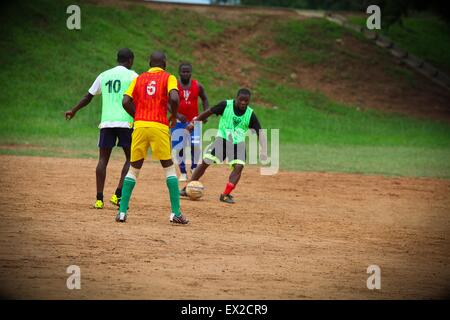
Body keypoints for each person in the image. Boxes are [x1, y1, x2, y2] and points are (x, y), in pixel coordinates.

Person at [119, 51, 188, 224]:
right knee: (169, 169)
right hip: (159, 125)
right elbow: (173, 97)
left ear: (150, 62)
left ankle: (121, 212)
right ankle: (176, 213)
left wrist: (138, 116)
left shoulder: (138, 78)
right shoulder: (169, 78)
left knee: (134, 168)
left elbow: (126, 101)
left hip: (140, 126)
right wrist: (173, 116)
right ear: (164, 63)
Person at [65, 48, 138, 209]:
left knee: (102, 160)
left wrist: (74, 110)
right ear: (130, 60)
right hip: (126, 123)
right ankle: (118, 195)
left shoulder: (104, 75)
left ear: (117, 59)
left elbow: (88, 96)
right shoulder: (133, 76)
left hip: (106, 123)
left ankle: (99, 199)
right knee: (131, 159)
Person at [181, 88, 267, 204]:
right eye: (241, 100)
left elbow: (259, 132)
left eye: (246, 101)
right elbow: (208, 112)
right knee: (206, 162)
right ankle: (188, 187)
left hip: (238, 144)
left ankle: (226, 194)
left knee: (239, 167)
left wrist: (264, 150)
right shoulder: (225, 105)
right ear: (236, 98)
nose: (243, 103)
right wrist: (193, 123)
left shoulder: (250, 114)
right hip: (222, 140)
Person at [171, 62, 209, 182]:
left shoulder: (197, 85)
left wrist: (206, 113)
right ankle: (182, 172)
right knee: (179, 147)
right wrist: (176, 114)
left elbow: (205, 98)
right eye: (183, 71)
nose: (186, 73)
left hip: (194, 121)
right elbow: (167, 102)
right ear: (179, 73)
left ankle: (193, 168)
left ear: (191, 73)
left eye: (188, 71)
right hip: (178, 121)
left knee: (195, 145)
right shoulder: (174, 85)